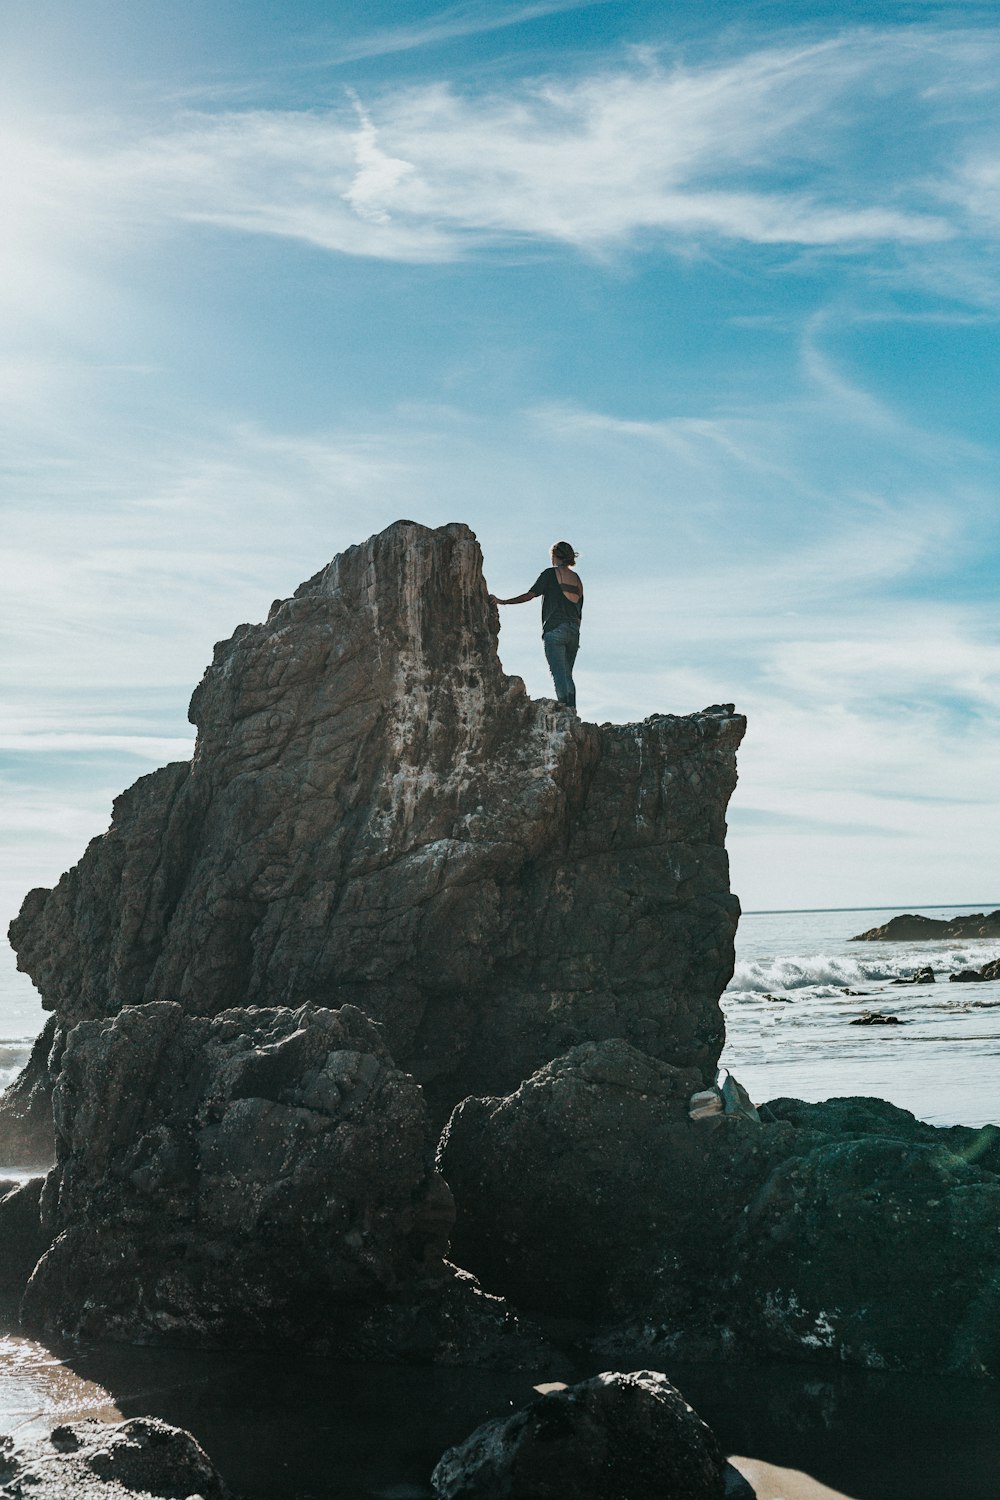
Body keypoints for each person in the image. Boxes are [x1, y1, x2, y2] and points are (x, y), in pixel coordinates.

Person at [490, 542, 583, 712]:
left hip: (555, 630)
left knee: (559, 675)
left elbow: (529, 595)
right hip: (574, 631)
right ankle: (573, 711)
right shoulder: (577, 580)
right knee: (567, 675)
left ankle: (567, 712)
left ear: (555, 555)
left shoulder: (550, 574)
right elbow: (579, 610)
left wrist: (502, 602)